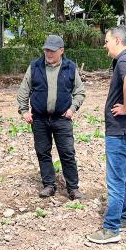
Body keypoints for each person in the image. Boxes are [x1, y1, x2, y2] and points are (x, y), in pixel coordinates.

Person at [87, 26, 126, 244]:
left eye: (106, 41)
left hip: (120, 129)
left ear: (118, 40)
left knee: (116, 179)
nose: (105, 45)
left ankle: (111, 228)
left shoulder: (124, 61)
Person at [17, 34, 86, 199]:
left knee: (67, 153)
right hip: (39, 119)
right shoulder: (35, 67)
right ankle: (49, 185)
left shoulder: (70, 67)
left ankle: (73, 188)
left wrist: (72, 108)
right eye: (46, 50)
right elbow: (23, 90)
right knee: (43, 152)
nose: (48, 53)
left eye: (52, 51)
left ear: (61, 51)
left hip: (62, 118)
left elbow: (80, 92)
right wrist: (24, 110)